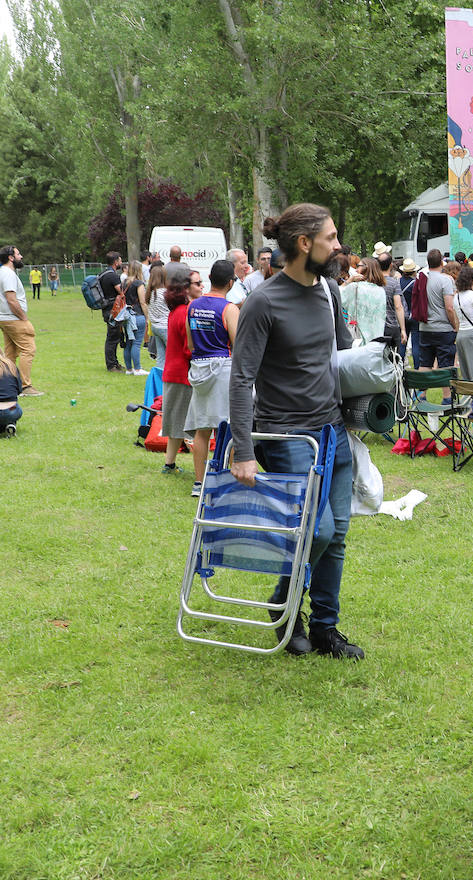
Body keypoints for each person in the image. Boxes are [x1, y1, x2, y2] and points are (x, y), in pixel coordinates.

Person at [229, 203, 360, 660]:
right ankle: (286, 603)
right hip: (288, 437)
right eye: (331, 237)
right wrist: (244, 450)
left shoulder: (328, 289)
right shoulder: (264, 301)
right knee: (317, 531)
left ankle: (325, 628)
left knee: (337, 532)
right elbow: (241, 378)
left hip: (333, 431)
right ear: (305, 244)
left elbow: (342, 356)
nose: (338, 245)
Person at [185, 261, 240, 495]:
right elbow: (238, 344)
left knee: (202, 428)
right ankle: (226, 479)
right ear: (230, 282)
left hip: (198, 368)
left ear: (209, 277)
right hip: (223, 368)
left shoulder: (192, 307)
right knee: (229, 428)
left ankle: (199, 482)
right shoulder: (229, 308)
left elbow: (189, 344)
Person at [0, 245, 44, 396]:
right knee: (28, 349)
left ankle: (7, 385)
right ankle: (25, 386)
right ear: (11, 257)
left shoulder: (3, 272)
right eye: (18, 254)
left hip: (4, 319)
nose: (21, 257)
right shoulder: (8, 274)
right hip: (13, 319)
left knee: (10, 353)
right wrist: (24, 318)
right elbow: (12, 300)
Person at [159, 276, 195, 481]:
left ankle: (169, 463)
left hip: (173, 373)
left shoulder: (176, 312)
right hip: (182, 374)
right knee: (187, 422)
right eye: (196, 285)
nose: (201, 287)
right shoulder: (184, 313)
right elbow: (188, 349)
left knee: (175, 422)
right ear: (185, 292)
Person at [420, 249, 459, 371]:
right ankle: (447, 391)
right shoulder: (445, 280)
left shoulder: (421, 279)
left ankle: (421, 390)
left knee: (425, 364)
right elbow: (449, 307)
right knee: (446, 366)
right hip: (443, 328)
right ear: (442, 263)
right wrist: (455, 325)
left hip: (425, 327)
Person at [98, 252, 126, 372]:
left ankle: (114, 362)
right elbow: (121, 292)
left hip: (107, 308)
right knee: (112, 338)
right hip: (112, 310)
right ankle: (111, 365)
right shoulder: (113, 276)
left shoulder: (103, 274)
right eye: (120, 260)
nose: (121, 263)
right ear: (115, 262)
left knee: (114, 336)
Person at [120, 261, 148, 375]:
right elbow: (143, 302)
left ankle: (129, 369)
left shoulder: (124, 283)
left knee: (129, 342)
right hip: (137, 315)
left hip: (127, 316)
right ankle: (137, 368)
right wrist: (147, 317)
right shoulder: (139, 283)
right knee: (136, 343)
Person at [144, 262, 170, 366]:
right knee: (172, 355)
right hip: (165, 326)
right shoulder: (165, 293)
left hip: (155, 326)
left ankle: (159, 379)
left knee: (161, 357)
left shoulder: (150, 293)